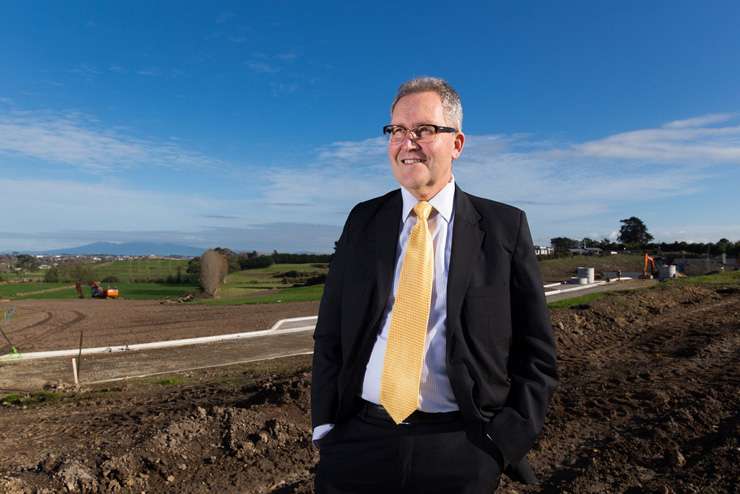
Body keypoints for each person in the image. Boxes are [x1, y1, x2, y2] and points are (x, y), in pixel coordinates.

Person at [311, 77, 558, 493]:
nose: (407, 143)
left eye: (423, 130)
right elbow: (331, 331)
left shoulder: (504, 227)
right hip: (357, 442)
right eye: (396, 131)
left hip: (461, 448)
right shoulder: (362, 221)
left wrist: (503, 442)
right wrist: (326, 426)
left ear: (457, 143)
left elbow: (536, 351)